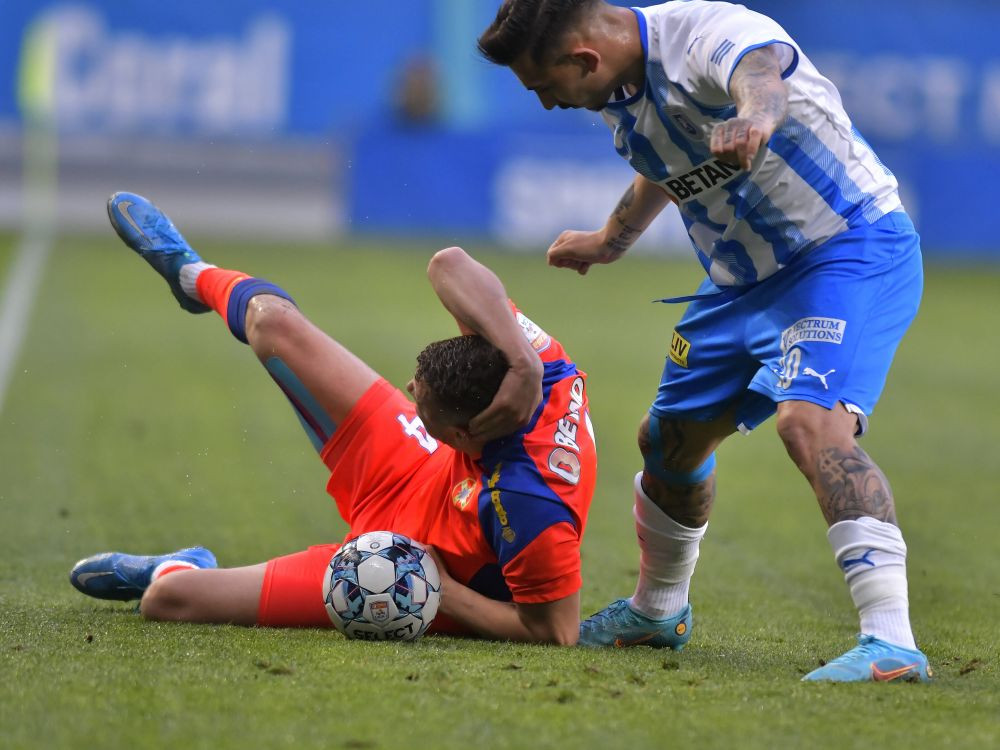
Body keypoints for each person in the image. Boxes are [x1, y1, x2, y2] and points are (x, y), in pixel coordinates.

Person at [477, 0, 930, 681]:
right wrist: (611, 239)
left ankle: (892, 642)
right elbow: (667, 160)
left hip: (844, 252)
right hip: (739, 283)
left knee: (809, 426)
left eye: (544, 87)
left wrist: (754, 116)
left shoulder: (704, 35)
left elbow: (763, 70)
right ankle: (659, 611)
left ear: (582, 59)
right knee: (668, 442)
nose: (545, 104)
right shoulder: (615, 90)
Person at [69, 192, 596, 645]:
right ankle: (193, 276)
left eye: (423, 406)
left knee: (169, 599)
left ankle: (183, 563)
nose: (408, 391)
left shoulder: (529, 504)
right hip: (415, 462)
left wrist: (441, 588)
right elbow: (448, 264)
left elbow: (555, 632)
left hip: (402, 565)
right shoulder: (537, 365)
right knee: (272, 322)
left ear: (464, 433)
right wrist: (523, 359)